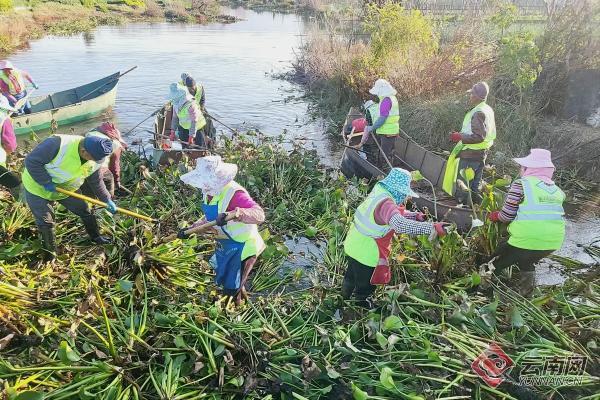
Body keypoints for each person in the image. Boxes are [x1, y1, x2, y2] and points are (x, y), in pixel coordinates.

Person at [342, 168, 447, 307]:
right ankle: (360, 308)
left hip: (353, 244)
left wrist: (415, 216)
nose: (404, 197)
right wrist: (432, 228)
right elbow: (399, 224)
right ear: (399, 190)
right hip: (366, 252)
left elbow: (390, 215)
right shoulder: (386, 203)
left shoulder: (379, 191)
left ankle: (343, 298)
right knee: (365, 285)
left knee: (350, 275)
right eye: (404, 193)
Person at [178, 156, 265, 304]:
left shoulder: (234, 192)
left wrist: (236, 213)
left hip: (243, 247)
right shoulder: (208, 191)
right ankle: (242, 295)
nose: (203, 186)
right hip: (226, 245)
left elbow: (259, 215)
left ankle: (235, 314)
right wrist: (191, 229)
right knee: (228, 280)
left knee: (232, 289)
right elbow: (209, 219)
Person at [22, 135, 117, 261]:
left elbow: (96, 181)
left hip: (66, 190)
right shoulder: (57, 144)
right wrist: (46, 182)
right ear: (84, 151)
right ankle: (51, 255)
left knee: (85, 211)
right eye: (93, 159)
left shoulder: (94, 157)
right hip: (38, 188)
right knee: (46, 222)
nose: (95, 161)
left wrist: (106, 199)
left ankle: (96, 237)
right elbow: (31, 161)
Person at [486, 149, 565, 295]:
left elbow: (507, 215)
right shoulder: (557, 191)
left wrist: (495, 216)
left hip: (527, 240)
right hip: (553, 242)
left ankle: (484, 291)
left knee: (494, 263)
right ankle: (526, 293)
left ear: (529, 169)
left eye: (522, 167)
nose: (520, 170)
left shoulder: (521, 184)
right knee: (527, 261)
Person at [442, 81, 496, 205]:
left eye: (471, 94)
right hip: (481, 154)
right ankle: (474, 210)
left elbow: (479, 136)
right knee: (475, 186)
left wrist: (459, 136)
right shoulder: (487, 109)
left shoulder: (478, 112)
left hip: (470, 155)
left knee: (464, 186)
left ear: (477, 96)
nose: (470, 96)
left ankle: (461, 210)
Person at [356, 79, 400, 169]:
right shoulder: (393, 98)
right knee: (390, 152)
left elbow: (382, 119)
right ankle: (389, 167)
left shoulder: (386, 101)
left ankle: (381, 172)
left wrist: (372, 127)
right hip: (393, 130)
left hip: (387, 132)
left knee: (383, 155)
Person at [83, 122, 127, 197]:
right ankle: (109, 200)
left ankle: (91, 202)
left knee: (87, 192)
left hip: (82, 168)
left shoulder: (91, 133)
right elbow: (114, 167)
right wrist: (117, 181)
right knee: (109, 180)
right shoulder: (115, 145)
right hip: (98, 168)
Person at [168, 83, 209, 148]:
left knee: (199, 147)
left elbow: (194, 122)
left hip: (197, 127)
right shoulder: (175, 104)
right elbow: (175, 118)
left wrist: (191, 136)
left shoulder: (191, 104)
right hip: (184, 127)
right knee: (184, 147)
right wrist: (172, 132)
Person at [0, 95, 21, 199]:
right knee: (15, 184)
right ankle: (20, 204)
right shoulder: (4, 119)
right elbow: (10, 144)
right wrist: (9, 153)